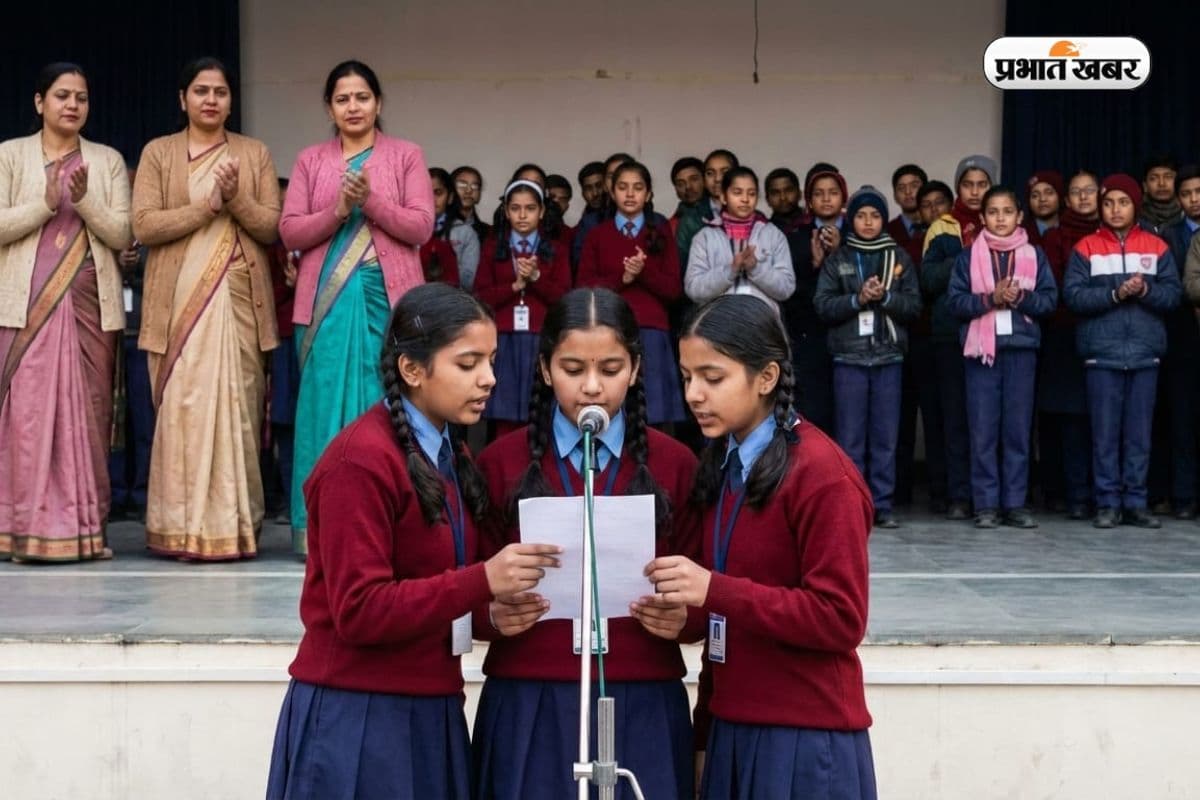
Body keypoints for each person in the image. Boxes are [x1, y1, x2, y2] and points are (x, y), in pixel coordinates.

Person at [266, 283, 563, 800]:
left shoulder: (448, 454)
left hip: (431, 710)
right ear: (412, 370)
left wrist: (490, 616)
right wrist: (482, 580)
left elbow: (433, 586)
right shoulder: (359, 462)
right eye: (468, 364)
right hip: (359, 716)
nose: (489, 379)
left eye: (491, 361)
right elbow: (360, 610)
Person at [472, 287, 701, 800]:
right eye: (573, 369)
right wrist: (492, 614)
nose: (592, 387)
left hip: (642, 694)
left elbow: (707, 588)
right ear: (545, 369)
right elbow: (464, 587)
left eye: (611, 369)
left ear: (637, 369)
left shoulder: (676, 464)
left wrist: (685, 621)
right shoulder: (500, 463)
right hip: (530, 695)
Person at [648, 293, 877, 799]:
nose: (694, 394)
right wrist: (705, 730)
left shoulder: (822, 474)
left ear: (767, 378)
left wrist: (714, 590)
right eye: (687, 377)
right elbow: (727, 622)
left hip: (804, 737)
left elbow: (840, 618)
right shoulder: (725, 464)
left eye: (713, 377)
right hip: (733, 729)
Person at [280, 59, 434, 554]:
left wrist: (371, 203)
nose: (353, 106)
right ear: (330, 106)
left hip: (389, 303)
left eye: (362, 97)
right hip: (326, 307)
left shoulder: (406, 156)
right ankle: (317, 527)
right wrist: (338, 210)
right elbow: (290, 231)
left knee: (388, 406)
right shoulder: (310, 161)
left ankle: (390, 522)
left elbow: (420, 227)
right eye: (342, 99)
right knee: (322, 410)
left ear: (378, 103)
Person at [133, 56, 280, 560]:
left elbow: (269, 227)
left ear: (230, 100)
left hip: (237, 304)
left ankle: (233, 527)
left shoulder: (253, 153)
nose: (211, 99)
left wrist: (235, 198)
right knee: (181, 412)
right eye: (200, 91)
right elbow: (146, 225)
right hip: (176, 308)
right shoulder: (158, 153)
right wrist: (207, 206)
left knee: (235, 413)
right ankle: (175, 527)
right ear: (183, 99)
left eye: (220, 91)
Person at [0, 62, 132, 561]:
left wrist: (85, 201)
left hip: (88, 311)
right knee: (27, 419)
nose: (72, 105)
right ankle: (21, 529)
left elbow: (121, 234)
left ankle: (83, 531)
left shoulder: (108, 160)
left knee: (89, 418)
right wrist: (46, 202)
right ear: (39, 102)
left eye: (81, 97)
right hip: (22, 309)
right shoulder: (9, 156)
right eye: (61, 96)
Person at [1063, 174, 1182, 529]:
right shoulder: (1086, 247)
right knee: (1104, 433)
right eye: (1109, 202)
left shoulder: (1157, 246)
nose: (1116, 210)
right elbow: (1074, 297)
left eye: (1124, 202)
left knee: (1139, 434)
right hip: (1102, 353)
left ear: (1135, 205)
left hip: (1145, 352)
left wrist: (1145, 290)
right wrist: (1115, 294)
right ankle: (1107, 502)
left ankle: (1135, 502)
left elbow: (1173, 295)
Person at [947, 186, 1058, 529]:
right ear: (982, 218)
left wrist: (1020, 297)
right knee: (983, 431)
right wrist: (990, 298)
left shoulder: (1034, 256)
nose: (999, 218)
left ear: (1019, 217)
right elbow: (955, 303)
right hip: (982, 354)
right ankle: (986, 505)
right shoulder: (968, 257)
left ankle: (1014, 503)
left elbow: (1049, 301)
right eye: (992, 212)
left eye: (1007, 211)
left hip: (1021, 351)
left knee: (1017, 431)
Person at [814, 186, 920, 528]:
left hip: (889, 358)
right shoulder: (839, 258)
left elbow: (914, 307)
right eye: (861, 215)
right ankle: (854, 504)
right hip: (849, 358)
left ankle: (883, 505)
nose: (869, 222)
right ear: (851, 218)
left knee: (885, 437)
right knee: (851, 439)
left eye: (875, 215)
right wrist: (857, 299)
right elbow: (823, 306)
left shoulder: (899, 257)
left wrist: (886, 296)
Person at [577, 160, 685, 425]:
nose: (629, 194)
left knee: (654, 415)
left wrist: (643, 271)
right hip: (608, 328)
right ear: (611, 192)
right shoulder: (597, 234)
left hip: (651, 329)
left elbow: (673, 289)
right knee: (613, 408)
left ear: (648, 194)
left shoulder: (660, 232)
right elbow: (583, 287)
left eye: (638, 188)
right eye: (623, 187)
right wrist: (622, 278)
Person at [921, 154, 996, 520]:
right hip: (951, 333)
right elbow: (930, 280)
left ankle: (988, 497)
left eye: (982, 184)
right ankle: (959, 495)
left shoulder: (1002, 223)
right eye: (968, 184)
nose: (975, 191)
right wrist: (969, 257)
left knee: (986, 419)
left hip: (993, 335)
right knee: (954, 418)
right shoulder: (942, 228)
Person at [475, 179, 571, 437]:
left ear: (541, 211)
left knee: (541, 409)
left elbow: (565, 298)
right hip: (504, 338)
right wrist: (514, 286)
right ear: (506, 211)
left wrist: (537, 278)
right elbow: (480, 297)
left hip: (542, 337)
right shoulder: (492, 247)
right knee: (503, 413)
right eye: (515, 208)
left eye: (529, 208)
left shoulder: (557, 249)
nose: (522, 215)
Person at [1038, 170, 1101, 518]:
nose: (1082, 198)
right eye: (1076, 193)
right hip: (1063, 335)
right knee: (1065, 417)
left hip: (1106, 334)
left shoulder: (1109, 236)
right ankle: (1067, 493)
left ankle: (1097, 492)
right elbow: (1059, 288)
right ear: (1067, 199)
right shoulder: (1055, 238)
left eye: (1089, 191)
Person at [1150, 163, 1200, 518]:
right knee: (1181, 419)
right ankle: (1183, 496)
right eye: (1187, 194)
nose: (1194, 200)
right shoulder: (1169, 234)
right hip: (1182, 335)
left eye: (1199, 192)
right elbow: (1178, 285)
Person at [685, 166, 794, 312]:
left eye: (752, 193)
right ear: (723, 197)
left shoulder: (773, 235)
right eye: (737, 192)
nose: (745, 199)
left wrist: (756, 268)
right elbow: (694, 290)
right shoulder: (705, 237)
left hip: (761, 322)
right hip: (716, 324)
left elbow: (786, 288)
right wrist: (730, 270)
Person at [432, 166, 481, 289]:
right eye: (425, 192)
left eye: (438, 193)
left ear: (450, 197)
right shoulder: (409, 230)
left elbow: (468, 280)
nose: (431, 198)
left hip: (453, 300)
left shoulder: (466, 233)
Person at [1138, 154, 1182, 234]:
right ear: (1145, 186)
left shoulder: (1188, 216)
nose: (1161, 184)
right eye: (1154, 178)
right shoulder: (1134, 219)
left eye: (1168, 177)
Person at [1024, 170, 1063, 247]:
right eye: (1035, 195)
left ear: (1060, 197)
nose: (1042, 199)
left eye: (1049, 193)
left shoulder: (1071, 232)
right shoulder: (1021, 234)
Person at [452, 165, 491, 242]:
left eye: (475, 186)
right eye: (462, 185)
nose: (469, 190)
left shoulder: (489, 232)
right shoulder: (435, 228)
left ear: (479, 195)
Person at [765, 167, 804, 234]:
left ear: (799, 194)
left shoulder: (814, 225)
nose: (783, 198)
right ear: (767, 199)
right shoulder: (764, 232)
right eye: (775, 193)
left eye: (788, 190)